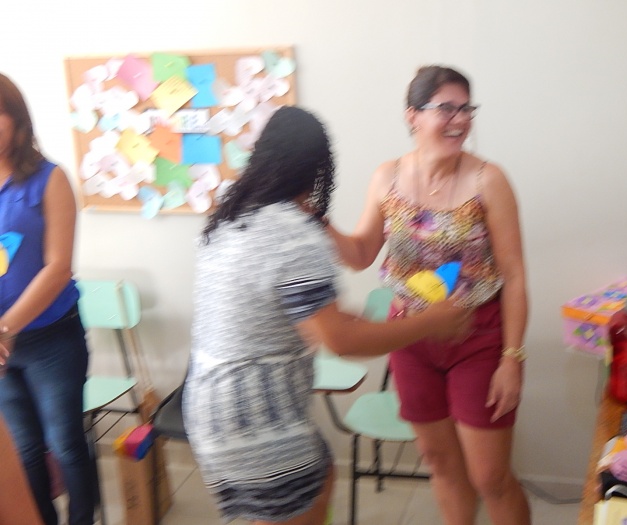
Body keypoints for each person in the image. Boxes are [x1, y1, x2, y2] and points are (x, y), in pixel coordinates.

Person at [182, 105, 472, 525]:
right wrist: (432, 322)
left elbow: (293, 316)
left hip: (209, 409)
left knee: (320, 475)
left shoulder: (230, 220)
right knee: (296, 504)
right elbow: (340, 342)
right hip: (257, 419)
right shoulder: (293, 233)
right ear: (317, 171)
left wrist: (350, 320)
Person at [325, 65, 531, 525]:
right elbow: (361, 254)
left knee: (490, 477)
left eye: (466, 109)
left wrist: (512, 358)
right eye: (447, 109)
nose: (461, 120)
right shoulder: (387, 177)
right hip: (410, 338)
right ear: (413, 115)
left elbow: (515, 275)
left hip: (478, 338)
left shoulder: (488, 180)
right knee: (440, 463)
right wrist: (318, 222)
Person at [0, 73, 94, 525]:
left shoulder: (48, 179)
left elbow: (58, 269)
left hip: (52, 340)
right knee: (23, 449)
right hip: (3, 349)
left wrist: (5, 328)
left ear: (16, 119)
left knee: (65, 443)